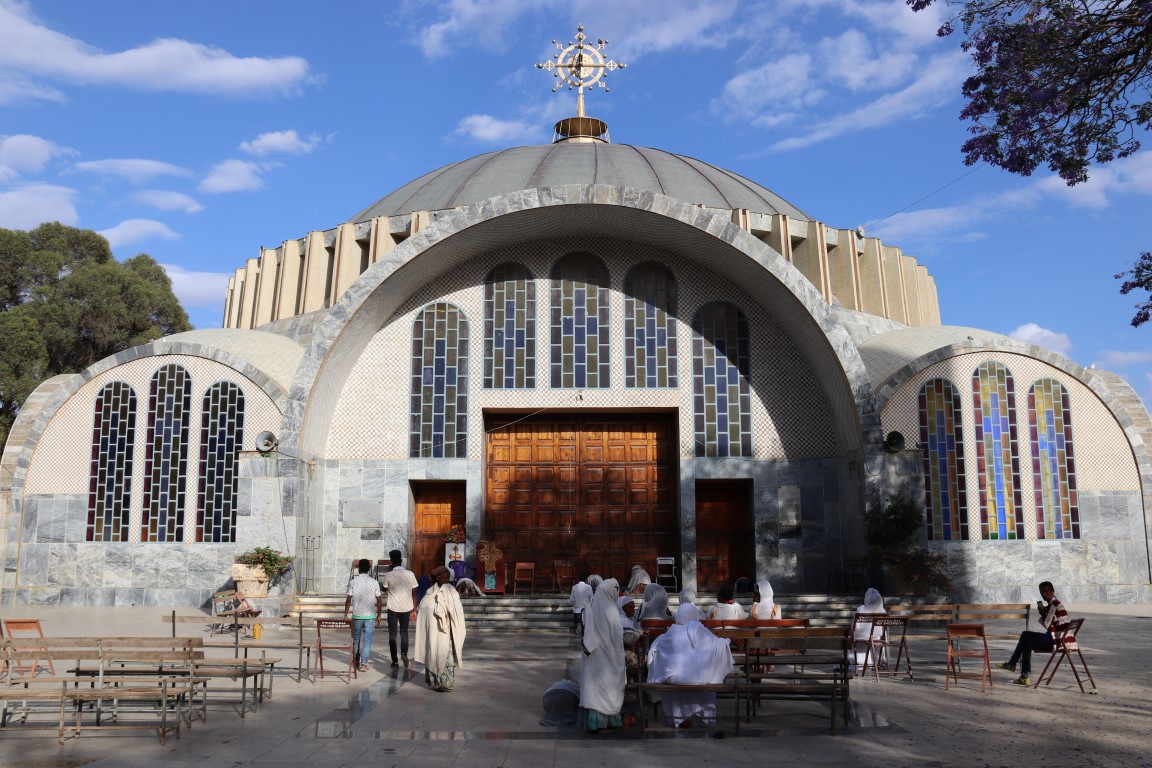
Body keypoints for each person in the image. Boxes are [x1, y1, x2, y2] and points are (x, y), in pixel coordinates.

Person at [646, 603, 734, 728]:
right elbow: (718, 644)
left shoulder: (671, 632)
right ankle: (705, 718)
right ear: (694, 615)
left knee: (672, 678)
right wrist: (729, 640)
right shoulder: (699, 629)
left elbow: (654, 650)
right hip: (700, 679)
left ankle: (678, 718)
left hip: (674, 679)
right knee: (707, 678)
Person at [997, 581, 1071, 685]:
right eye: (1041, 592)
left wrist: (1042, 614)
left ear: (1052, 591)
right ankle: (1012, 664)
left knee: (1026, 645)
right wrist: (1044, 612)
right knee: (1025, 634)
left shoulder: (1054, 605)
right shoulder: (1055, 604)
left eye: (1046, 592)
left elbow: (1047, 624)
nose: (1044, 594)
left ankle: (1024, 676)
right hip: (1055, 637)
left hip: (1054, 641)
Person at [580, 578, 626, 731]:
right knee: (607, 687)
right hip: (608, 656)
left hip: (593, 655)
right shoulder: (611, 610)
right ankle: (608, 720)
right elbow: (618, 636)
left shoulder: (591, 606)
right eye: (616, 590)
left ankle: (595, 722)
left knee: (595, 688)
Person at [414, 565, 467, 692]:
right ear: (437, 577)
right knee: (433, 652)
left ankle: (447, 683)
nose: (447, 579)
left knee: (445, 655)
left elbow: (457, 611)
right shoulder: (429, 593)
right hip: (432, 631)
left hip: (445, 631)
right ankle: (436, 682)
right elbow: (424, 611)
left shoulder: (450, 591)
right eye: (444, 576)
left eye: (448, 577)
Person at [380, 549, 419, 668]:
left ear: (391, 561)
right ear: (401, 560)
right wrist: (414, 609)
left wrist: (389, 573)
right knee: (404, 632)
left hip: (393, 607)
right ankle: (404, 654)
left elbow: (384, 588)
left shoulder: (389, 574)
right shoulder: (410, 574)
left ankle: (394, 661)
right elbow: (414, 592)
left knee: (392, 634)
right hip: (406, 607)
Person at [343, 558, 382, 671]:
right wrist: (379, 615)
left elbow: (348, 599)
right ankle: (364, 663)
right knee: (367, 640)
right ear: (369, 569)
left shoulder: (353, 582)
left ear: (358, 569)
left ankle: (356, 661)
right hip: (370, 616)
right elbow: (379, 600)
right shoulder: (374, 582)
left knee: (356, 639)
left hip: (357, 615)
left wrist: (345, 614)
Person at [853, 588, 886, 669]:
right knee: (882, 636)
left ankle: (859, 661)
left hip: (861, 638)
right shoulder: (882, 612)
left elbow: (854, 626)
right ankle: (880, 660)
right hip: (877, 637)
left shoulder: (861, 610)